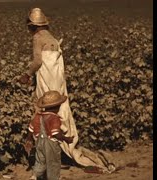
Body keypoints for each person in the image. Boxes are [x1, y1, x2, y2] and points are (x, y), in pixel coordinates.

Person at [19, 8, 116, 173]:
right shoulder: (52, 39)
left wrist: (26, 75)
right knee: (60, 110)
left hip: (47, 81)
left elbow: (37, 62)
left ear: (33, 26)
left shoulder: (37, 37)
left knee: (45, 111)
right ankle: (67, 147)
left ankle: (50, 155)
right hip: (57, 82)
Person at [25, 90, 74, 180]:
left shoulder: (37, 116)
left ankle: (34, 176)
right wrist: (66, 139)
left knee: (40, 161)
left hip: (39, 143)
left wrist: (29, 140)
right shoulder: (54, 118)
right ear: (57, 106)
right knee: (53, 162)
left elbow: (30, 130)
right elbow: (56, 134)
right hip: (51, 143)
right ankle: (53, 178)